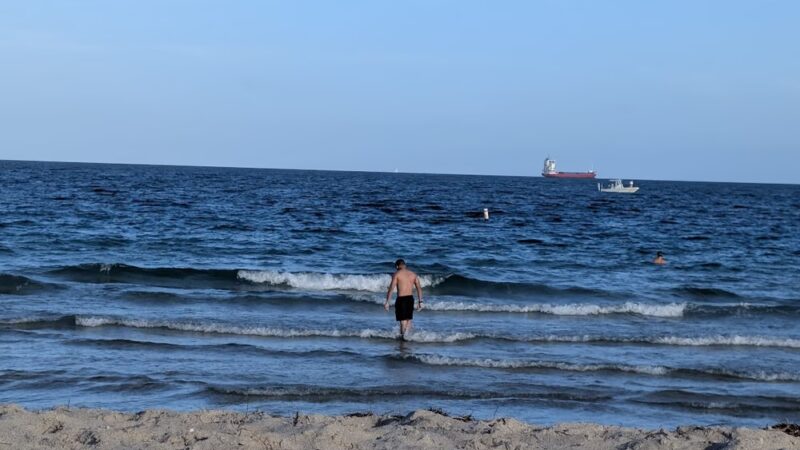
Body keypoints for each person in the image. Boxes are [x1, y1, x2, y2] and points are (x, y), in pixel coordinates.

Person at [384, 259, 423, 340]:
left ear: (397, 266)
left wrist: (387, 302)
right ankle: (407, 336)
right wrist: (420, 301)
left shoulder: (397, 274)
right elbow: (419, 288)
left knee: (402, 320)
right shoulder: (413, 274)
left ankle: (403, 338)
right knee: (408, 319)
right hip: (410, 299)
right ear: (405, 265)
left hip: (401, 299)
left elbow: (391, 288)